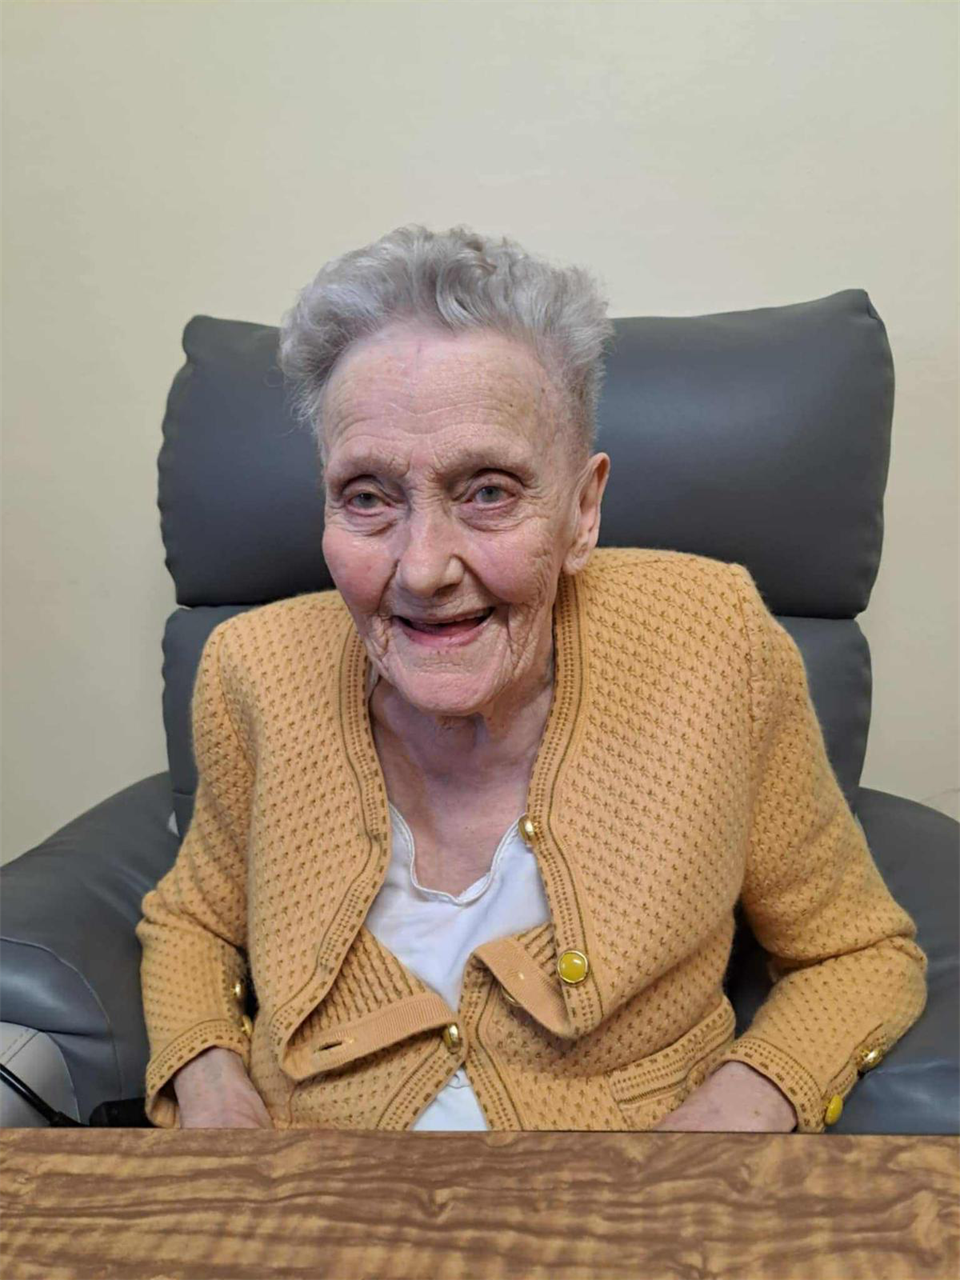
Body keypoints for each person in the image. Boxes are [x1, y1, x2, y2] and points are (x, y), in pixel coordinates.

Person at [136, 224, 927, 1133]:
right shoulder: (252, 669)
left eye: (489, 492)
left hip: (626, 1194)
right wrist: (211, 1082)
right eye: (368, 497)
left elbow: (858, 954)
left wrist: (727, 1120)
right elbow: (192, 924)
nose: (423, 568)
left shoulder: (717, 641)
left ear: (583, 512)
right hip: (308, 1186)